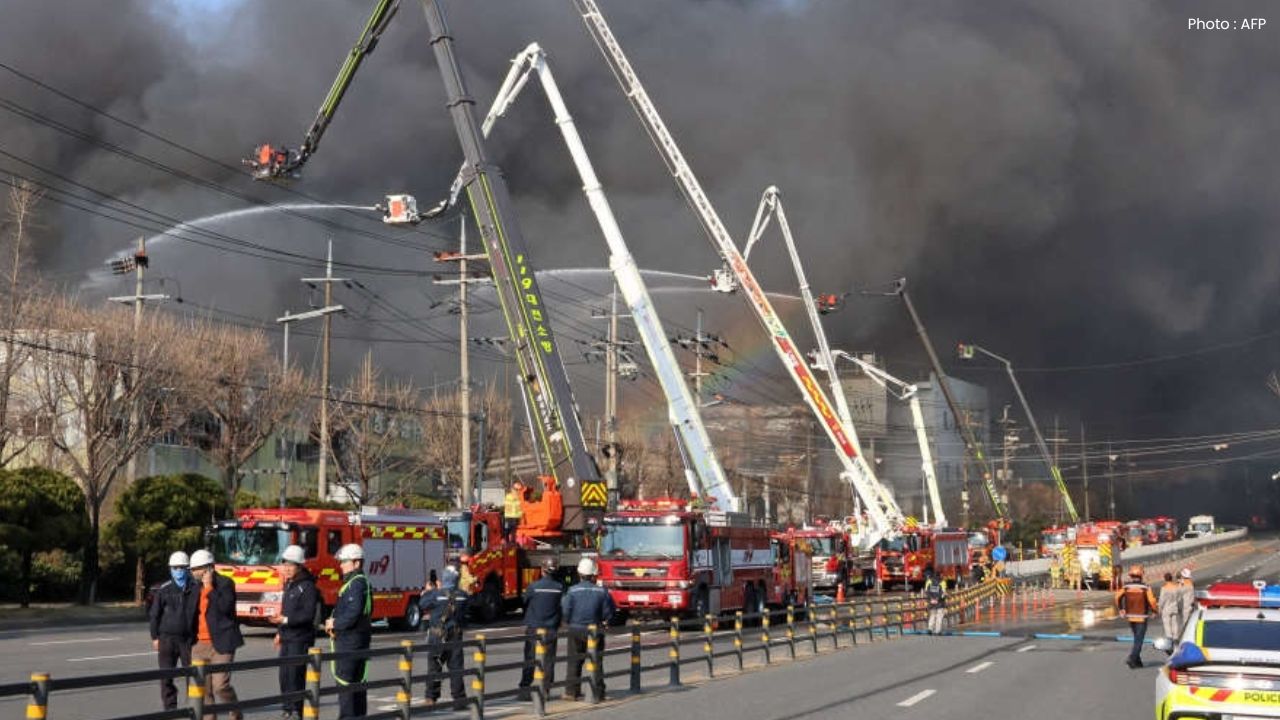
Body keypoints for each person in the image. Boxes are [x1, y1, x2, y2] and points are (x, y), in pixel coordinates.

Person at [189, 549, 245, 720]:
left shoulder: (225, 583)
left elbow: (225, 607)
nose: (194, 573)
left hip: (221, 642)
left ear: (208, 568)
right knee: (204, 690)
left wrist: (209, 588)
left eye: (197, 569)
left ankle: (235, 712)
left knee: (220, 685)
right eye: (192, 570)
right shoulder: (194, 587)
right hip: (199, 644)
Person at [270, 545, 318, 720]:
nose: (287, 569)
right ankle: (287, 707)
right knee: (284, 675)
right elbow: (286, 610)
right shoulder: (290, 585)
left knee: (295, 675)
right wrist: (279, 632)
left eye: (291, 565)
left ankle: (296, 709)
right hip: (287, 636)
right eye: (285, 565)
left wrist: (284, 621)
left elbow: (307, 615)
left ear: (300, 566)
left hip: (300, 638)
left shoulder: (308, 587)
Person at [324, 544, 371, 719]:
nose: (341, 565)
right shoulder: (357, 582)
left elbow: (353, 613)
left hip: (350, 644)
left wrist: (334, 623)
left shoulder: (356, 583)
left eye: (345, 561)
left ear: (357, 563)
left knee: (347, 685)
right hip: (357, 641)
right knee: (357, 685)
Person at [149, 551, 199, 712]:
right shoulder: (164, 590)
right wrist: (155, 637)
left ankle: (194, 706)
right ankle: (170, 708)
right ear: (170, 569)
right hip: (167, 640)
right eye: (175, 568)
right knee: (166, 676)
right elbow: (154, 615)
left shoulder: (195, 588)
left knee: (192, 676)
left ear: (187, 568)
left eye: (182, 567)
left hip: (188, 640)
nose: (178, 571)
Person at [561, 557, 615, 701]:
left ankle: (571, 692)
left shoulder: (572, 591)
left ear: (579, 574)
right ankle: (597, 692)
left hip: (575, 629)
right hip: (594, 630)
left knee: (574, 661)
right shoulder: (601, 592)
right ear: (594, 575)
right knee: (596, 661)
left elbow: (566, 610)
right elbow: (608, 612)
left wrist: (567, 622)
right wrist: (605, 621)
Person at [419, 565, 470, 711]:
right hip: (455, 634)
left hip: (437, 635)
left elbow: (422, 604)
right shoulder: (463, 595)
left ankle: (431, 698)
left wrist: (428, 591)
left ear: (444, 579)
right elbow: (465, 613)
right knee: (456, 668)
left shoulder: (435, 594)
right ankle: (459, 699)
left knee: (434, 666)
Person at [517, 559, 565, 701]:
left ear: (543, 570)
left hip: (534, 627)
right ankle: (545, 690)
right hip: (550, 628)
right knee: (549, 660)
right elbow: (561, 607)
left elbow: (524, 601)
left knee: (530, 658)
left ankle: (525, 690)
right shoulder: (559, 587)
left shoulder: (534, 587)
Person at [1114, 565, 1158, 669]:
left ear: (1131, 575)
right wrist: (1155, 610)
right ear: (1141, 575)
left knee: (1136, 638)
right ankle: (1132, 658)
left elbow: (1117, 597)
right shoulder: (1145, 587)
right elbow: (1152, 601)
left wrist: (1121, 609)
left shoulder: (1126, 587)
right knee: (1139, 640)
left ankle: (1137, 662)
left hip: (1130, 617)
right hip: (1141, 617)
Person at [1158, 571, 1183, 641]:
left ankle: (1169, 637)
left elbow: (1161, 600)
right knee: (1175, 623)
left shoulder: (1164, 588)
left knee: (1167, 624)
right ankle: (1176, 636)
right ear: (1171, 578)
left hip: (1166, 608)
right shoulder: (1176, 587)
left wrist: (1159, 608)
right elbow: (1180, 597)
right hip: (1174, 607)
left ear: (1165, 579)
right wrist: (1176, 603)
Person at [922, 569, 947, 635]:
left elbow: (926, 592)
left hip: (931, 602)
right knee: (939, 617)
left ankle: (930, 629)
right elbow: (943, 593)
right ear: (940, 575)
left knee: (932, 615)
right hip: (940, 603)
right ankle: (937, 631)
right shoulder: (942, 582)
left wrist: (931, 599)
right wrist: (937, 599)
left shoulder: (929, 581)